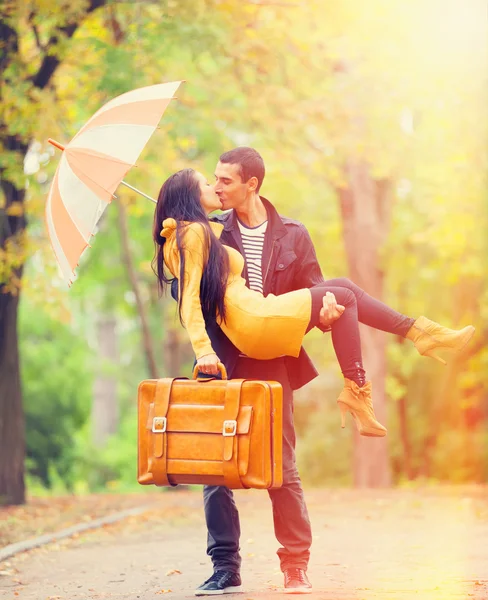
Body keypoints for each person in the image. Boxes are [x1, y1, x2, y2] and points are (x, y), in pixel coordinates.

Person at [153, 149, 475, 594]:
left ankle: (295, 565)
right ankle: (225, 567)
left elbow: (319, 294)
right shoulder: (206, 230)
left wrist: (324, 313)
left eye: (226, 181)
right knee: (215, 469)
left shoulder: (293, 235)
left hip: (271, 353)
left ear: (252, 184)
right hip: (222, 356)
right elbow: (184, 291)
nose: (218, 187)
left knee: (282, 463)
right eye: (213, 181)